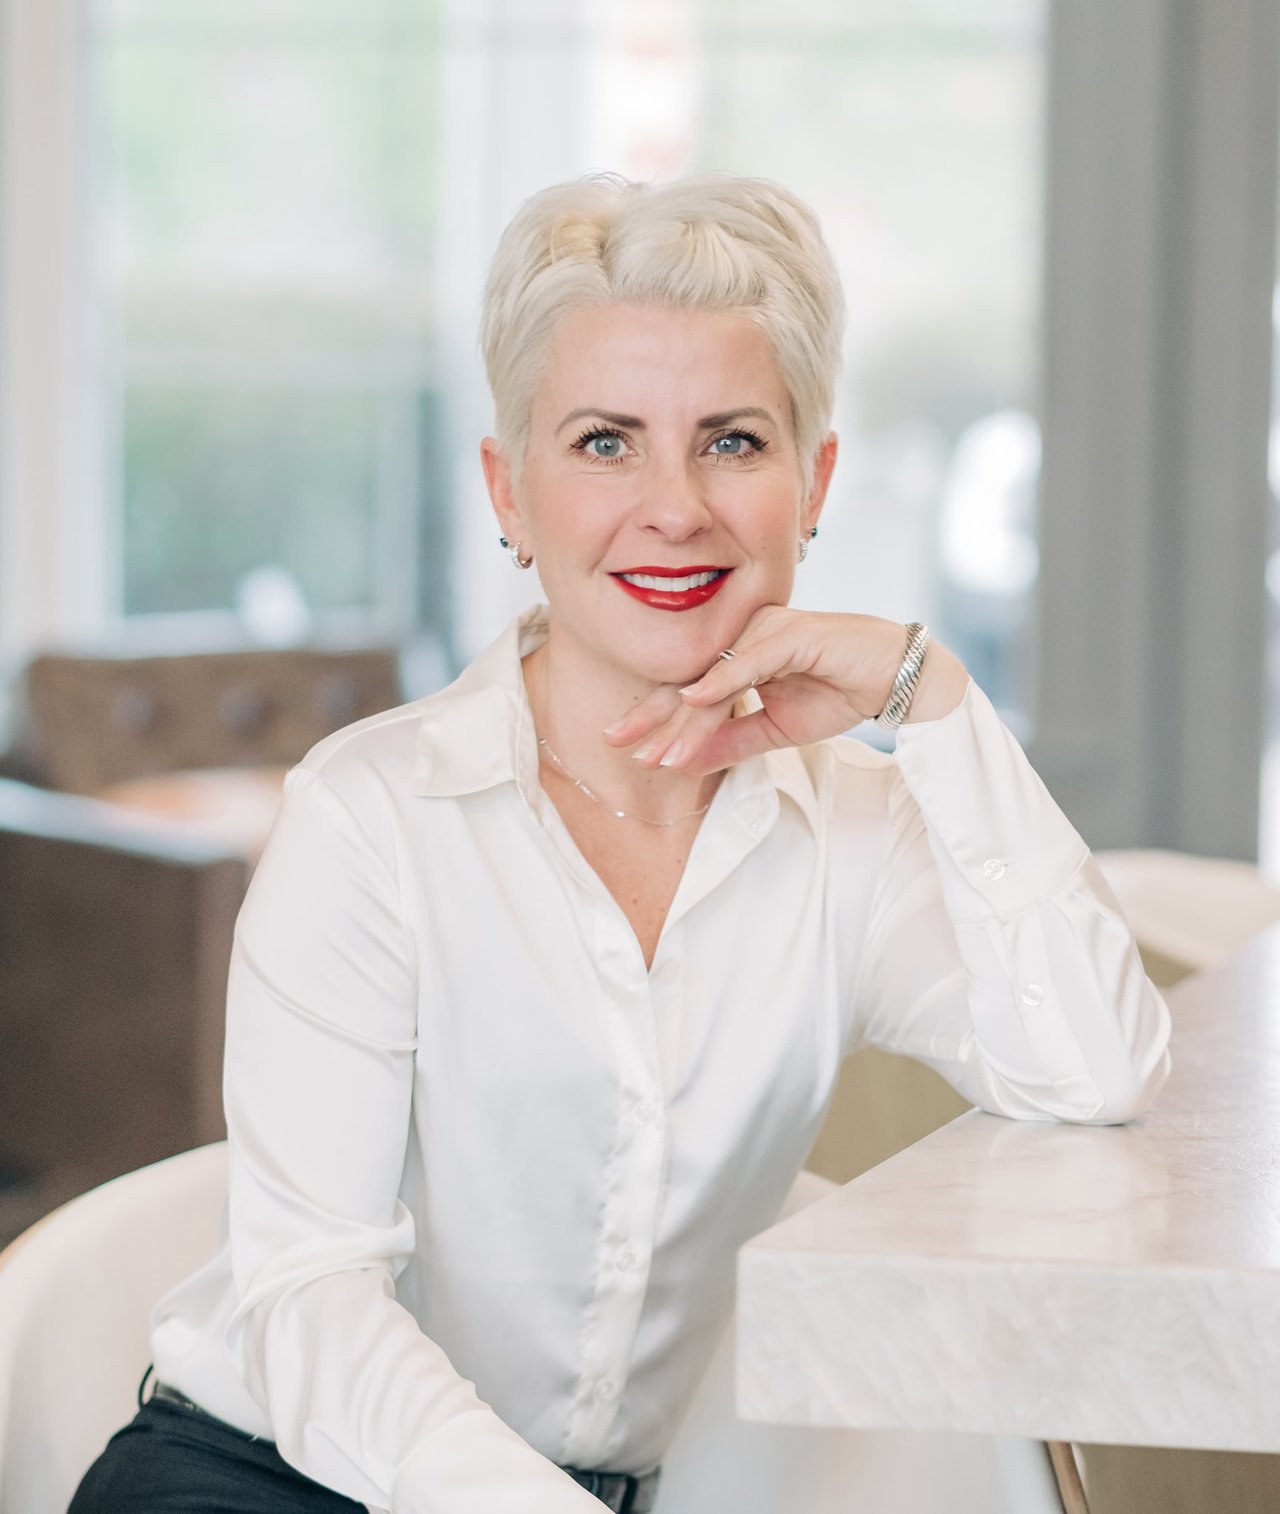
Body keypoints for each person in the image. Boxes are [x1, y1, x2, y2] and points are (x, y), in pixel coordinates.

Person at [69, 172, 1172, 1514]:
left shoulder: (854, 834)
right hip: (266, 1477)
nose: (675, 506)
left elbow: (1095, 1068)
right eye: (605, 442)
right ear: (509, 491)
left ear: (814, 481)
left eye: (733, 441)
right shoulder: (368, 818)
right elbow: (312, 1307)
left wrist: (927, 693)